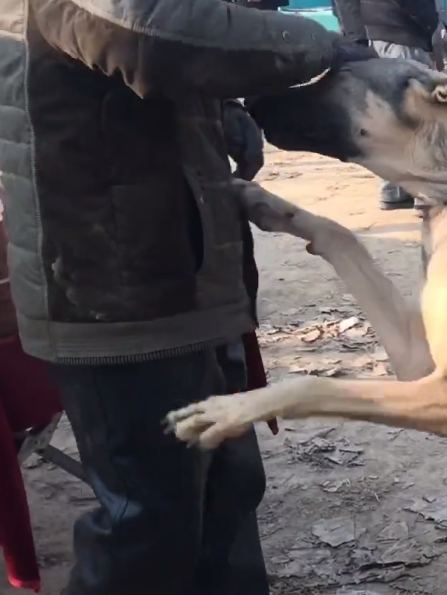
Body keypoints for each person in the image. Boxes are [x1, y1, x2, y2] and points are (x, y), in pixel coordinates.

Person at [0, 2, 371, 593]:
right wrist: (318, 46)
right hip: (117, 297)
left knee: (227, 492)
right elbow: (153, 32)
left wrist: (215, 110)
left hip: (184, 280)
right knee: (150, 526)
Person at [360, 0, 440, 210]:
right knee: (416, 115)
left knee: (391, 115)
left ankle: (394, 189)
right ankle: (422, 193)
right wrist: (430, 24)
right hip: (404, 30)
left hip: (377, 28)